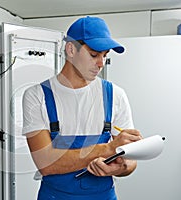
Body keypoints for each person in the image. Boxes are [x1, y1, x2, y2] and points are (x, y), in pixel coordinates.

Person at [22, 16, 142, 200]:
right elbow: (45, 162)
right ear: (71, 49)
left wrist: (122, 167)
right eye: (94, 55)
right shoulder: (37, 96)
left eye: (105, 55)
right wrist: (108, 149)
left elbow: (130, 161)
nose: (101, 63)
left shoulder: (115, 95)